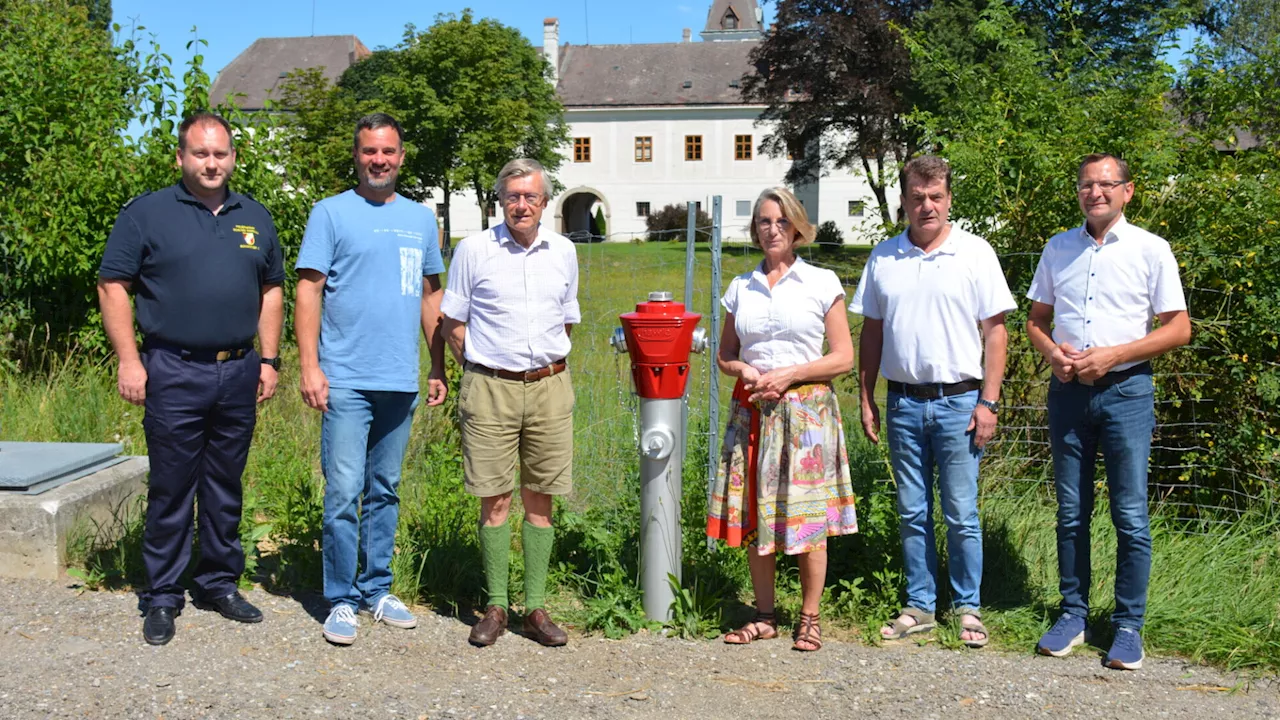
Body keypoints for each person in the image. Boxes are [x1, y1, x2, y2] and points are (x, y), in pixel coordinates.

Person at [98, 112, 284, 646]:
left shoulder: (256, 216)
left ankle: (218, 582)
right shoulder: (147, 214)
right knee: (172, 486)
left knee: (225, 485)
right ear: (180, 157)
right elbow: (113, 286)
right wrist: (130, 360)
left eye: (220, 153)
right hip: (172, 370)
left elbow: (272, 289)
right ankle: (162, 595)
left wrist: (269, 361)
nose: (211, 163)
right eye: (200, 154)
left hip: (239, 370)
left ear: (233, 157)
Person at [1028, 153, 1190, 670]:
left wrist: (1114, 355)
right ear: (1077, 192)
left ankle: (1128, 626)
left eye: (1106, 184)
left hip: (1127, 392)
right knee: (1071, 513)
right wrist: (1054, 354)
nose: (1095, 192)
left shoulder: (1151, 249)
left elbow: (1178, 328)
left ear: (1127, 191)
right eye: (1086, 185)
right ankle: (1073, 615)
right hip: (1069, 392)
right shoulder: (1058, 248)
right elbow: (1036, 320)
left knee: (1130, 514)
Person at [295, 113, 448, 646]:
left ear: (401, 157)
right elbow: (309, 290)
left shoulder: (421, 219)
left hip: (400, 379)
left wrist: (437, 365)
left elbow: (432, 297)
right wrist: (309, 366)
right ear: (356, 156)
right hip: (345, 380)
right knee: (342, 491)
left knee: (385, 489)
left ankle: (377, 587)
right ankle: (340, 598)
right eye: (368, 151)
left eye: (387, 151)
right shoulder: (330, 213)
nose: (378, 159)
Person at [850, 155, 1015, 648]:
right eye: (918, 197)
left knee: (961, 511)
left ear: (948, 199)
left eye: (936, 196)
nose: (927, 206)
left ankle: (968, 607)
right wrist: (866, 398)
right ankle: (920, 605)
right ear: (903, 201)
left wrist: (989, 402)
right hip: (902, 403)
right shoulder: (883, 257)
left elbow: (997, 334)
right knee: (911, 510)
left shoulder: (975, 253)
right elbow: (872, 335)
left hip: (960, 404)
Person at [707, 186, 858, 652]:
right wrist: (745, 369)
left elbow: (843, 357)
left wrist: (791, 372)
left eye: (780, 221)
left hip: (807, 414)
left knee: (808, 518)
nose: (771, 230)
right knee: (758, 515)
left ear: (796, 228)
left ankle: (810, 617)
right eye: (763, 222)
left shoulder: (821, 281)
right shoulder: (741, 288)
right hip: (754, 410)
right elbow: (725, 354)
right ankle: (765, 614)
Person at [442, 158, 579, 648]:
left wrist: (536, 365)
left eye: (532, 197)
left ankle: (535, 608)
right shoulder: (474, 250)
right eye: (514, 196)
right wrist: (484, 367)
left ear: (545, 202)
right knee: (495, 499)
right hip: (490, 388)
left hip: (548, 387)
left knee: (540, 499)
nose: (523, 205)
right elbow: (453, 323)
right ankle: (497, 605)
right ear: (501, 200)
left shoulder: (563, 251)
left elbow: (566, 321)